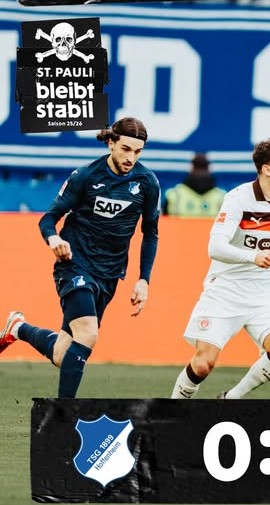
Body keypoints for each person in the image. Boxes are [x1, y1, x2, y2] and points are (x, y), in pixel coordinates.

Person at [0, 117, 160, 398]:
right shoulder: (86, 176)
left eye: (137, 151)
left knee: (62, 354)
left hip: (109, 273)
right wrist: (54, 239)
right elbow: (48, 219)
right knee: (88, 334)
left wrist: (143, 280)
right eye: (125, 149)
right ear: (110, 143)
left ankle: (19, 327)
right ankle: (63, 415)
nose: (130, 158)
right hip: (75, 265)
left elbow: (151, 233)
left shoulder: (147, 183)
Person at [171, 137, 270, 399]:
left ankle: (230, 400)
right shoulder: (238, 199)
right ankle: (171, 413)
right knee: (203, 365)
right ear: (267, 169)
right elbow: (215, 247)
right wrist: (253, 256)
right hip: (225, 292)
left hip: (264, 296)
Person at [162, 152, 226, 217]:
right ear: (208, 168)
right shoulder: (222, 197)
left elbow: (161, 221)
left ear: (192, 168)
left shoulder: (175, 195)